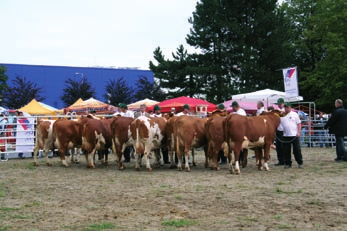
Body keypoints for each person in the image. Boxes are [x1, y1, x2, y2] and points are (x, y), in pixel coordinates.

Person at [281, 102, 304, 169]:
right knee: (286, 150)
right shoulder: (282, 115)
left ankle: (300, 162)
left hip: (294, 135)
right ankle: (288, 163)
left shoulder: (294, 114)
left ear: (290, 107)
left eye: (287, 107)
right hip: (286, 135)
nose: (286, 109)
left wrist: (298, 132)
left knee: (297, 150)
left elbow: (299, 124)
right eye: (285, 107)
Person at [274, 98, 285, 166]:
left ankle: (285, 159)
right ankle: (280, 160)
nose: (279, 105)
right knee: (278, 146)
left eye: (280, 104)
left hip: (284, 130)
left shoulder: (285, 111)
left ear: (283, 103)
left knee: (283, 146)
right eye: (278, 104)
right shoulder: (277, 112)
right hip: (278, 130)